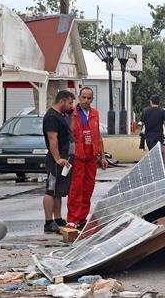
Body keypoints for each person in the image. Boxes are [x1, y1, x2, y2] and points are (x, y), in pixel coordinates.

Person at [66, 87, 107, 230]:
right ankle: (72, 218)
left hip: (91, 155)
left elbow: (98, 136)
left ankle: (82, 217)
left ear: (92, 99)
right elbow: (69, 132)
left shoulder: (95, 113)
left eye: (89, 98)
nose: (86, 100)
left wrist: (102, 156)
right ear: (79, 97)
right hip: (78, 155)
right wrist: (71, 117)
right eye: (83, 97)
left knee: (88, 187)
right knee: (76, 188)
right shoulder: (73, 113)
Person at [42, 90, 75, 233]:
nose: (71, 105)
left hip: (64, 157)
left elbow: (70, 132)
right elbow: (52, 139)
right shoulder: (51, 117)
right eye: (70, 103)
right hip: (56, 158)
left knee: (59, 190)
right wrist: (57, 159)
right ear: (62, 101)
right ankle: (48, 221)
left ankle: (58, 218)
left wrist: (72, 117)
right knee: (51, 190)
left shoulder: (62, 116)